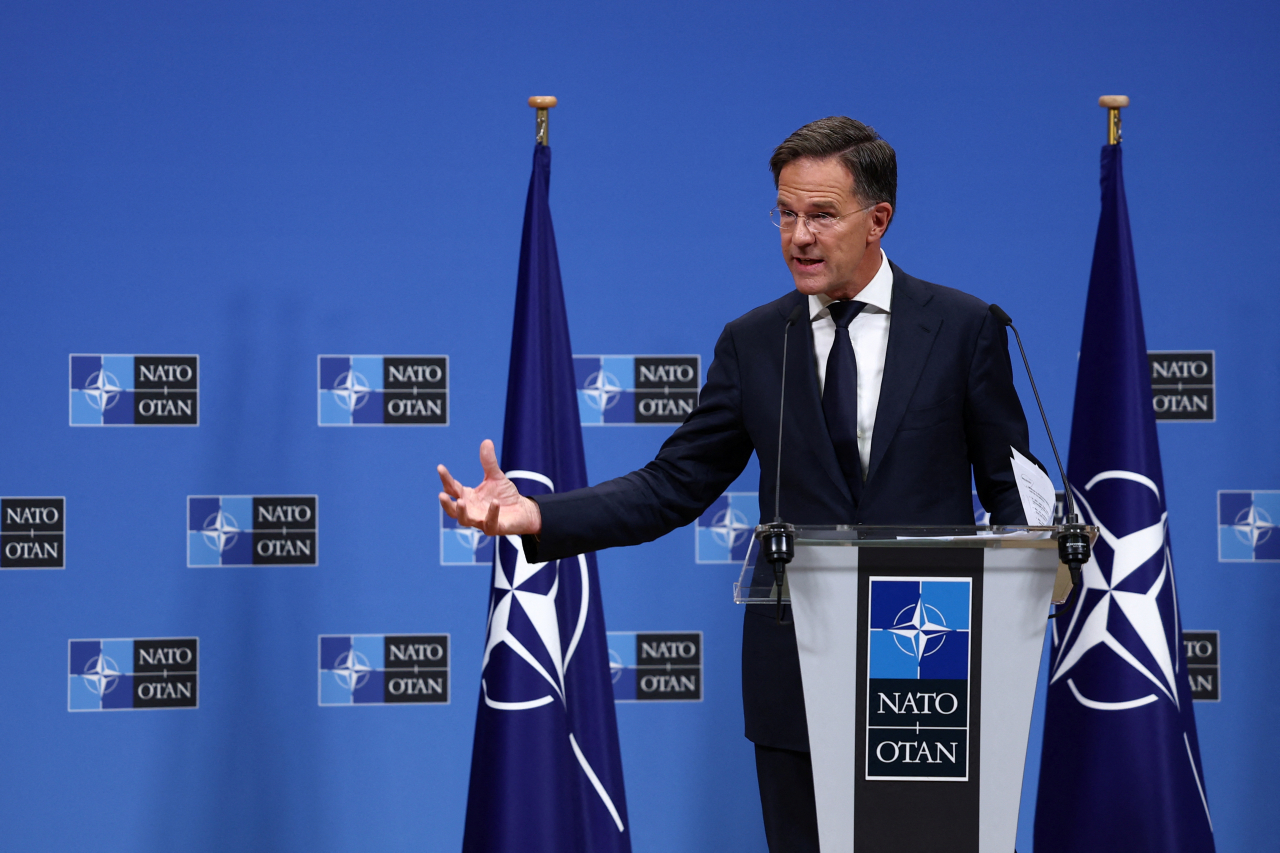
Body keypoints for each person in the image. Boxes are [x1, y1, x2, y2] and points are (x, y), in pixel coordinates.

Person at [438, 116, 1034, 853]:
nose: (799, 236)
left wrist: (1029, 592)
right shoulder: (755, 342)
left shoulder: (965, 327)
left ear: (878, 219)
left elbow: (1013, 501)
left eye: (821, 214)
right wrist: (538, 515)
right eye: (785, 213)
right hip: (796, 662)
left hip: (924, 651)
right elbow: (673, 483)